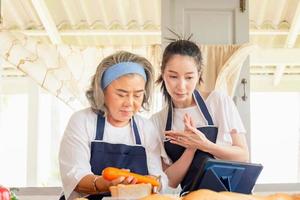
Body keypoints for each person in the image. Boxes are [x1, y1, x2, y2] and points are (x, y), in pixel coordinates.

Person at [59, 51, 167, 200]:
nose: (129, 103)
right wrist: (105, 183)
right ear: (102, 91)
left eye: (137, 95)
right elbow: (75, 177)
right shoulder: (82, 121)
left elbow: (157, 176)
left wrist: (151, 182)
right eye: (121, 94)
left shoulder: (146, 128)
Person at [151, 39, 249, 194]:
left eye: (189, 77)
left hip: (228, 196)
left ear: (198, 75)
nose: (181, 86)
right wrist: (190, 149)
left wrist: (205, 144)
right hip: (191, 196)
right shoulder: (157, 121)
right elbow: (170, 180)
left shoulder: (218, 101)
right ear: (163, 74)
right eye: (173, 76)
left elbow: (242, 156)